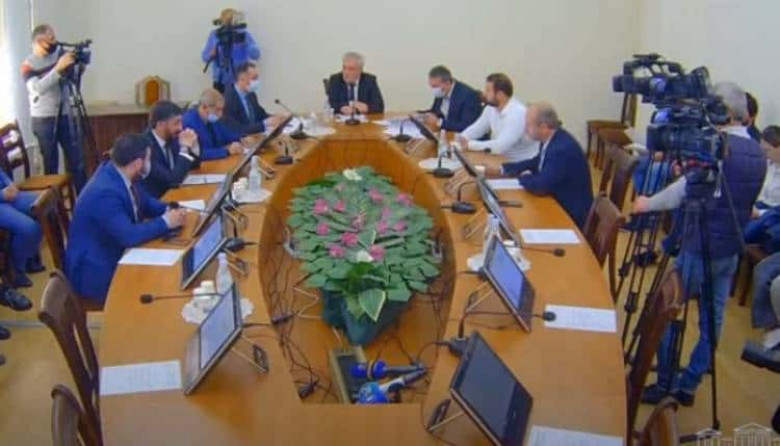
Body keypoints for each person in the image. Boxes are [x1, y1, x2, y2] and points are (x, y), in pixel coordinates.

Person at [634, 82, 766, 406]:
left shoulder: (718, 147)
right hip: (730, 249)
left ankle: (665, 383)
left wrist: (647, 204)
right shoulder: (759, 153)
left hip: (699, 244)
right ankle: (689, 384)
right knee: (712, 320)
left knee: (667, 309)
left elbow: (683, 191)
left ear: (723, 111)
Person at [64, 134, 187, 304]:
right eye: (148, 159)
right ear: (138, 163)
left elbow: (144, 202)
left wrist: (168, 209)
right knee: (163, 285)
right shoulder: (105, 192)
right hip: (96, 271)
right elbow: (129, 235)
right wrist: (166, 222)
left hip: (114, 250)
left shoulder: (119, 171)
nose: (149, 164)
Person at [483, 102, 593, 229]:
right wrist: (503, 169)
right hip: (556, 202)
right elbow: (536, 162)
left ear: (543, 127)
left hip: (570, 215)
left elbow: (541, 186)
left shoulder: (560, 150)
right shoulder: (553, 138)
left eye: (529, 125)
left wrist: (523, 177)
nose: (525, 129)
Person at [21, 24, 87, 192]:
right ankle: (54, 204)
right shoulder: (28, 64)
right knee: (50, 164)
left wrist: (79, 68)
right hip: (43, 119)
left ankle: (83, 197)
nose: (55, 42)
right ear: (39, 42)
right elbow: (37, 88)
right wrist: (58, 68)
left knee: (76, 160)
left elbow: (72, 78)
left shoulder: (60, 54)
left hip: (65, 114)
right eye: (50, 39)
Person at [456, 73, 537, 162]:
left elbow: (500, 146)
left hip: (520, 164)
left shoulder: (517, 113)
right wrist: (461, 138)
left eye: (488, 91)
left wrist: (469, 145)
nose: (484, 94)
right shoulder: (491, 108)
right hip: (498, 159)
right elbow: (477, 128)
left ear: (500, 95)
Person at [142, 101, 200, 198]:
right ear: (160, 125)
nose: (180, 128)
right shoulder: (145, 147)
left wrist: (193, 147)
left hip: (175, 195)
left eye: (181, 122)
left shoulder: (172, 138)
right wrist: (184, 149)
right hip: (159, 199)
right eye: (176, 123)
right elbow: (173, 181)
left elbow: (194, 166)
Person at [0, 170, 43, 288]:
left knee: (43, 205)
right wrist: (2, 195)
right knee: (30, 229)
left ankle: (29, 256)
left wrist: (10, 184)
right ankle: (17, 271)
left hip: (7, 193)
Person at [201, 8, 260, 93]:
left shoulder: (243, 34)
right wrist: (211, 54)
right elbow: (204, 57)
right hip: (220, 80)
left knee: (241, 101)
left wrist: (246, 43)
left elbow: (256, 55)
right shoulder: (215, 34)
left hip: (241, 79)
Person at [223, 62, 287, 136]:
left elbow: (261, 115)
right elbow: (237, 129)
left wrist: (276, 118)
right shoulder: (228, 99)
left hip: (256, 137)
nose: (257, 81)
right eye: (254, 78)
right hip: (241, 141)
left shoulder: (251, 94)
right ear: (242, 79)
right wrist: (265, 124)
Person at [182, 88, 244, 161]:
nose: (220, 114)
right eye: (217, 109)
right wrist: (226, 151)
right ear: (204, 107)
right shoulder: (189, 122)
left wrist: (241, 138)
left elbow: (225, 135)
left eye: (222, 109)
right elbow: (197, 153)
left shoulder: (213, 119)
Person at [421, 65, 482, 132]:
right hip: (444, 133)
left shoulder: (468, 95)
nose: (433, 89)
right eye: (431, 86)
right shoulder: (441, 93)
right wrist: (420, 115)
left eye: (435, 86)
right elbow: (434, 112)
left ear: (447, 83)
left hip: (462, 135)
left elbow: (466, 126)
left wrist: (439, 122)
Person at [754, 126, 780, 215]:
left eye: (767, 150)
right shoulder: (767, 164)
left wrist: (760, 213)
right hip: (759, 207)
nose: (764, 154)